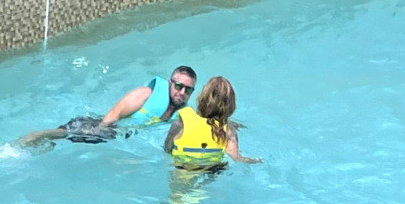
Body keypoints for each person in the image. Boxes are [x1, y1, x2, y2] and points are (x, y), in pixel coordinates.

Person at [20, 62, 197, 149]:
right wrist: (100, 131)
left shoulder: (181, 114)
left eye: (188, 90)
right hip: (99, 126)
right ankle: (32, 137)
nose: (182, 93)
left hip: (115, 136)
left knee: (60, 144)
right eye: (179, 86)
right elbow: (114, 114)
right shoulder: (145, 94)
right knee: (61, 135)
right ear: (170, 82)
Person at [165, 75, 259, 171]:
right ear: (230, 104)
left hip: (182, 168)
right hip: (210, 170)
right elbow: (236, 158)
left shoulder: (181, 122)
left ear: (202, 98)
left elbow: (167, 149)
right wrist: (255, 161)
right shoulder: (228, 130)